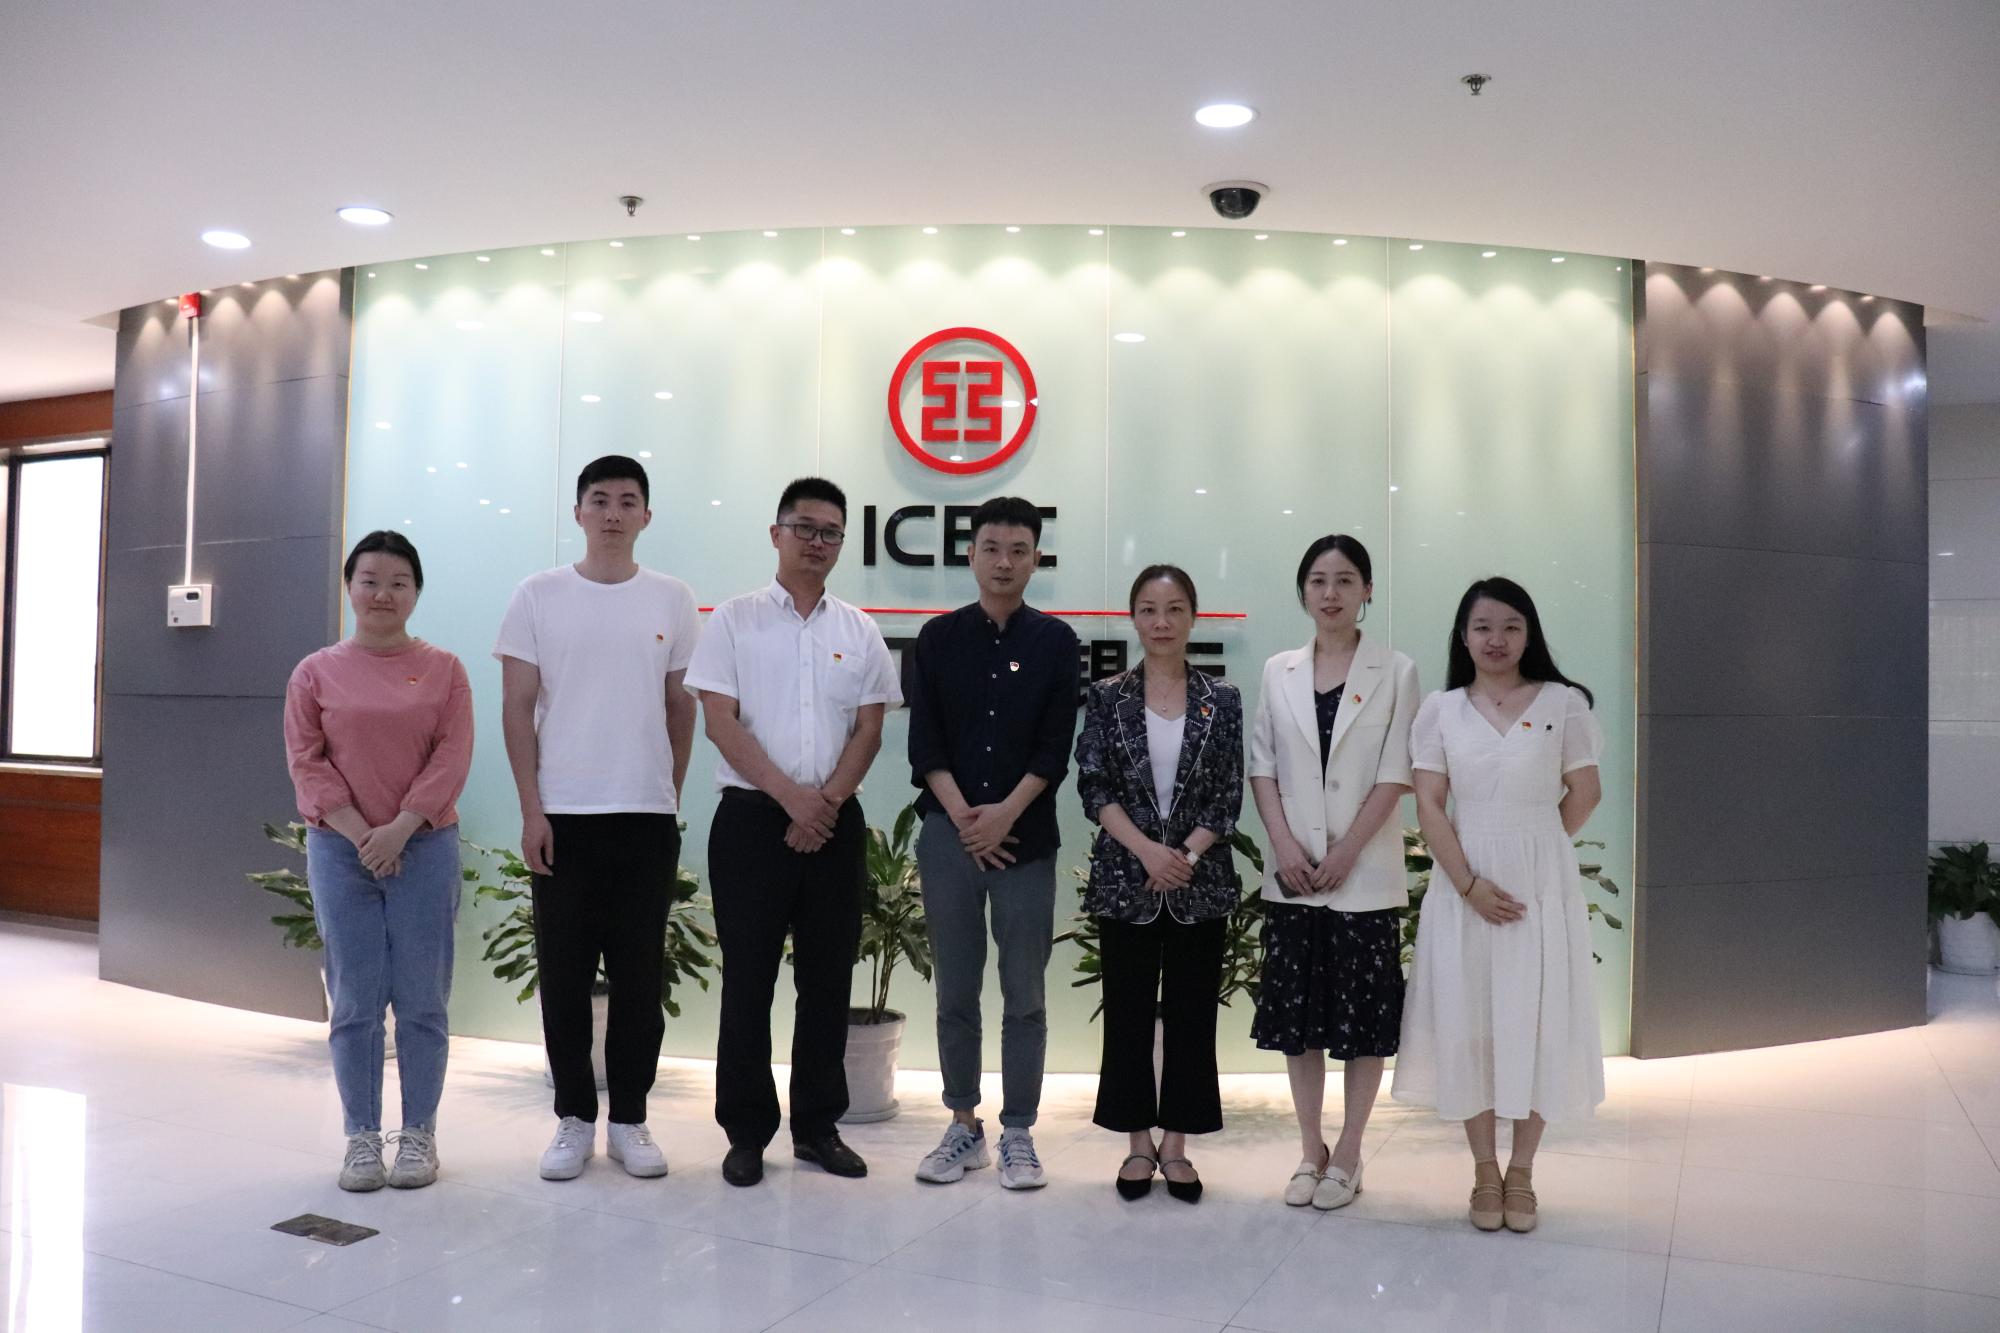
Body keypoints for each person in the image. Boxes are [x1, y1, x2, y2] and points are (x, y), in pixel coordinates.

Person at [684, 477, 900, 1187]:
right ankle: (746, 1132)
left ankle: (817, 1126)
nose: (816, 541)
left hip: (835, 823)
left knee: (827, 979)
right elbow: (719, 722)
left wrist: (824, 804)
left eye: (830, 531)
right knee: (748, 980)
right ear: (776, 533)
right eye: (804, 527)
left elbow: (870, 729)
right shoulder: (733, 621)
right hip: (752, 820)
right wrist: (791, 799)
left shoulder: (858, 629)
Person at [494, 455, 701, 1182]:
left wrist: (668, 793)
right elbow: (517, 708)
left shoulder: (672, 598)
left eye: (628, 501)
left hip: (645, 817)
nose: (614, 513)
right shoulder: (538, 595)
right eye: (601, 500)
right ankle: (575, 1118)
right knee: (565, 977)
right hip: (565, 817)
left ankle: (632, 1118)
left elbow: (681, 708)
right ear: (579, 511)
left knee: (641, 980)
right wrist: (532, 810)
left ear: (646, 515)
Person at [1393, 576, 1605, 1234]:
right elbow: (1430, 805)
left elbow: (1585, 791)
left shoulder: (1565, 703)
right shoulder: (1440, 710)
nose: (1496, 639)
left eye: (1511, 626)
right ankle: (1485, 1169)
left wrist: (1537, 852)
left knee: (1539, 1020)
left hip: (1540, 891)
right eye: (1482, 626)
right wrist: (1469, 882)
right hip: (1464, 887)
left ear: (1528, 634)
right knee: (1471, 1022)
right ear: (1463, 636)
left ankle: (1523, 1171)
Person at [284, 530, 473, 1192]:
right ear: (349, 587)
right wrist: (363, 833)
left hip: (425, 847)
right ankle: (361, 1137)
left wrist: (400, 828)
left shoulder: (445, 669)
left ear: (416, 592)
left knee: (422, 999)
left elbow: (452, 754)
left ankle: (419, 1133)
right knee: (355, 1001)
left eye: (398, 582)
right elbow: (306, 761)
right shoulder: (315, 672)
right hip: (341, 852)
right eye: (369, 580)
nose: (383, 593)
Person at [906, 496, 1081, 1189]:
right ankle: (962, 1124)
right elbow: (925, 744)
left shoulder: (1056, 642)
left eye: (1018, 550)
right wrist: (967, 821)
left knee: (1024, 991)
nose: (1004, 561)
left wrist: (1004, 815)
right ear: (971, 554)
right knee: (955, 987)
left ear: (1035, 559)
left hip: (1025, 841)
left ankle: (1018, 1131)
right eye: (991, 548)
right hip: (948, 837)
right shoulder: (937, 638)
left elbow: (1054, 749)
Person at [1246, 534, 1420, 1211]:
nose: (1330, 593)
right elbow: (1263, 766)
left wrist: (1346, 851)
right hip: (1294, 876)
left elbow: (1396, 771)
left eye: (1346, 580)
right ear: (1303, 592)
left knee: (1363, 1022)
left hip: (1363, 874)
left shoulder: (1396, 670)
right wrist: (1284, 846)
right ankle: (1309, 1148)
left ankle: (1349, 1151)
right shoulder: (1278, 669)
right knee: (1299, 1021)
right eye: (1318, 580)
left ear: (1367, 590)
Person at [1074, 565, 1243, 1203]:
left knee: (1193, 1018)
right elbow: (1094, 786)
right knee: (1128, 1015)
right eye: (1148, 610)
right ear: (1134, 619)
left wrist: (1186, 854)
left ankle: (1176, 1145)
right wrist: (1148, 851)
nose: (1161, 622)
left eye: (1174, 610)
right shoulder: (1107, 696)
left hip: (1201, 881)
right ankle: (1137, 1143)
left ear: (1193, 618)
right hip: (1127, 879)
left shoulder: (1222, 698)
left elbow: (1228, 793)